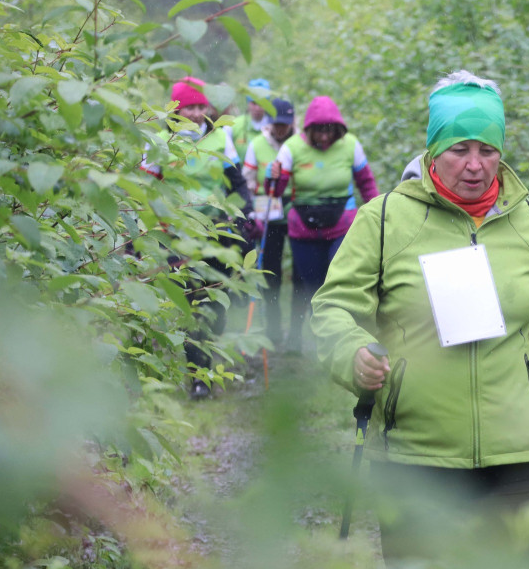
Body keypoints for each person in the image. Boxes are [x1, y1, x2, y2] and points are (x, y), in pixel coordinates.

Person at [310, 71, 529, 569]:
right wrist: (353, 355)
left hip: (517, 451)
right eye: (459, 149)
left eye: (487, 149)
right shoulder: (386, 219)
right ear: (433, 151)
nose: (475, 164)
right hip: (418, 453)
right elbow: (331, 311)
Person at [141, 76, 253, 399]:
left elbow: (238, 184)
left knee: (215, 304)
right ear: (176, 109)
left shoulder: (220, 138)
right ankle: (198, 380)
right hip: (175, 233)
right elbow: (146, 190)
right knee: (192, 304)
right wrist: (151, 230)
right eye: (189, 106)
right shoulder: (159, 141)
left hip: (216, 232)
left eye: (201, 106)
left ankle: (205, 364)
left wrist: (244, 215)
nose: (195, 112)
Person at [268, 95, 378, 354]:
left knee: (340, 282)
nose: (325, 137)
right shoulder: (291, 148)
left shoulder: (351, 145)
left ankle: (344, 341)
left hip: (342, 225)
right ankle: (309, 338)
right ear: (309, 129)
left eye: (330, 131)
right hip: (303, 230)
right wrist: (274, 177)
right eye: (319, 131)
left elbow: (367, 184)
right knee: (312, 286)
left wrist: (377, 213)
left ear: (338, 129)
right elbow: (274, 192)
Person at [241, 97, 297, 347]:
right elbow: (247, 179)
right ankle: (273, 328)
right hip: (268, 215)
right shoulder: (257, 144)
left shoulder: (300, 143)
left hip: (295, 212)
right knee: (271, 271)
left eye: (285, 123)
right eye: (277, 123)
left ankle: (297, 331)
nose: (281, 128)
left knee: (300, 274)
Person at [231, 77, 272, 162]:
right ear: (248, 102)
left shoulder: (273, 126)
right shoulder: (235, 125)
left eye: (261, 103)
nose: (257, 108)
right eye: (254, 103)